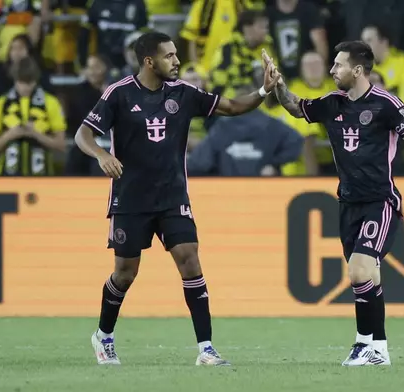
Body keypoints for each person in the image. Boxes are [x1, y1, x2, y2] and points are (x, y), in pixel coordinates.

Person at [74, 32, 280, 366]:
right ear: (149, 61)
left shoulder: (184, 93)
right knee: (125, 274)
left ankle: (206, 349)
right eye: (169, 56)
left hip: (172, 196)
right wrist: (100, 154)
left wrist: (263, 91)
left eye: (176, 55)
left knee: (190, 259)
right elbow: (83, 134)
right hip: (130, 199)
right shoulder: (119, 94)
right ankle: (104, 336)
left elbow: (230, 106)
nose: (177, 61)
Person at [270, 41, 404, 366]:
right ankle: (381, 351)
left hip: (380, 201)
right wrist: (277, 86)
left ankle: (362, 344)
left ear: (357, 70)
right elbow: (293, 105)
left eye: (338, 65)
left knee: (359, 272)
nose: (332, 71)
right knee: (369, 277)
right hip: (348, 203)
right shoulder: (332, 104)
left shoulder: (386, 104)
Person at [0, 57, 67, 176]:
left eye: (29, 82)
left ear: (35, 80)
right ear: (14, 79)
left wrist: (35, 134)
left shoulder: (51, 103)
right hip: (5, 176)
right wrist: (11, 134)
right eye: (21, 82)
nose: (25, 87)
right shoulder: (0, 104)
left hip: (42, 175)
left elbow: (61, 145)